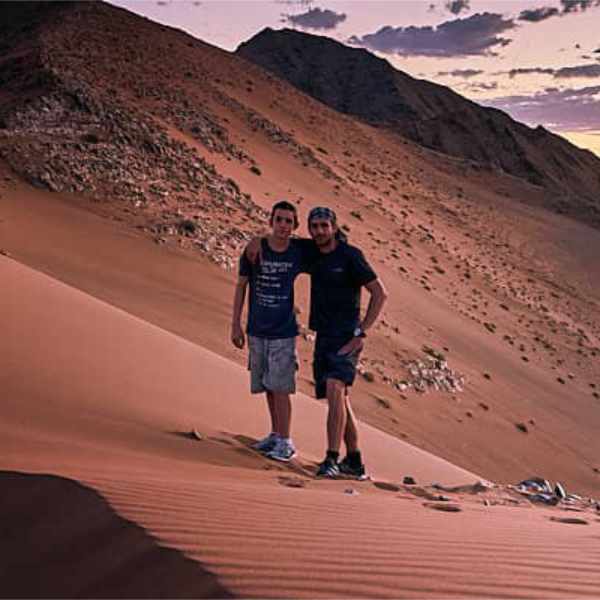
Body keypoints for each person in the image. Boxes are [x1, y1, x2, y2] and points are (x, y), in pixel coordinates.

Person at [246, 207, 387, 479]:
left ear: (334, 227)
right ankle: (354, 460)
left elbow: (380, 293)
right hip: (323, 335)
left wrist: (362, 332)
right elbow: (278, 237)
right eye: (314, 226)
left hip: (346, 336)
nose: (320, 231)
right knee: (340, 400)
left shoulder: (350, 256)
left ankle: (332, 458)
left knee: (335, 388)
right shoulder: (311, 251)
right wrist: (256, 240)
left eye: (324, 226)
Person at [230, 200, 306, 462]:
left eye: (288, 221)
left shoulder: (298, 251)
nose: (283, 225)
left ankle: (286, 442)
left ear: (295, 225)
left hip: (283, 331)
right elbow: (241, 286)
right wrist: (235, 324)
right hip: (257, 329)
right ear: (271, 221)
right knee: (268, 386)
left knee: (281, 386)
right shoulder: (254, 250)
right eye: (279, 219)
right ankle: (275, 433)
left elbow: (327, 245)